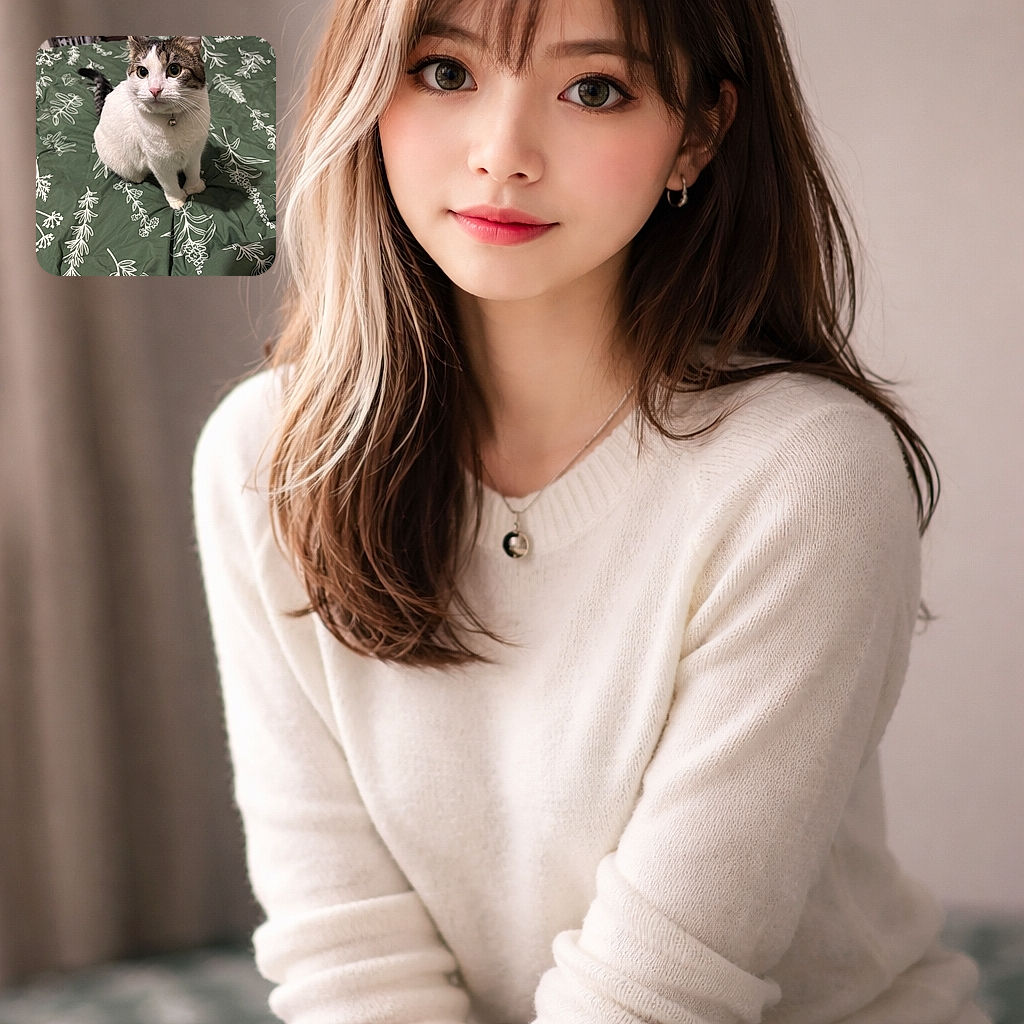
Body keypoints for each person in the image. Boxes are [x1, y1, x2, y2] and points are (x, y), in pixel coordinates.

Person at [193, 0, 989, 1021]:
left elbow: (661, 986)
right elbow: (347, 952)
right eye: (444, 73)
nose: (503, 154)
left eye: (594, 90)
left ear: (695, 138)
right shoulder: (269, 458)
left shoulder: (800, 471)